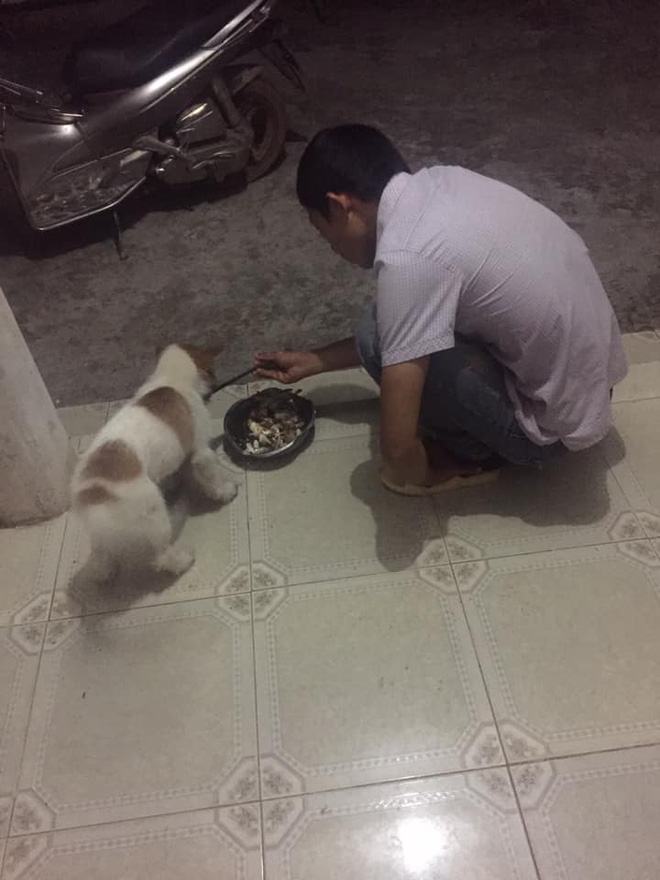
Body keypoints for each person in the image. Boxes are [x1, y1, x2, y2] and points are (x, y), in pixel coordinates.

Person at [254, 125, 627, 494]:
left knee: (375, 336)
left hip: (551, 434)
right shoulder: (443, 183)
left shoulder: (408, 258)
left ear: (339, 206)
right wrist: (316, 361)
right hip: (594, 389)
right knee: (397, 321)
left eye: (324, 233)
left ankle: (478, 454)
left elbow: (398, 451)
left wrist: (423, 472)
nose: (333, 248)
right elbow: (410, 323)